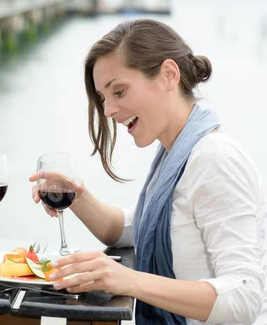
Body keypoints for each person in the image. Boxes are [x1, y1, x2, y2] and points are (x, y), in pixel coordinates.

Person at [30, 19, 266, 324]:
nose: (108, 111)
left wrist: (128, 280)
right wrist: (75, 196)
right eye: (103, 98)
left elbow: (244, 296)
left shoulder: (214, 158)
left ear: (168, 75)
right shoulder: (176, 155)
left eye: (119, 91)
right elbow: (136, 228)